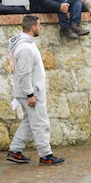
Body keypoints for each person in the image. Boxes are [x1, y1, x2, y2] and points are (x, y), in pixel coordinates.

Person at [6, 15, 64, 165]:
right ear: (33, 27)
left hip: (30, 91)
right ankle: (46, 155)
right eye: (39, 25)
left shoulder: (24, 43)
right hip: (31, 93)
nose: (40, 28)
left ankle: (15, 150)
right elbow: (24, 74)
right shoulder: (25, 48)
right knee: (40, 122)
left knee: (29, 122)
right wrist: (30, 94)